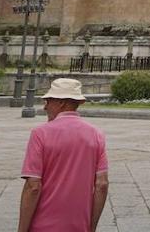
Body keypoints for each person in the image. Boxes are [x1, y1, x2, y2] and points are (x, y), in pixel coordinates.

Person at [18, 77, 109, 232]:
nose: (45, 107)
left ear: (61, 102)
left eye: (48, 101)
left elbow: (33, 186)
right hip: (80, 226)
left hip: (43, 226)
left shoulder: (40, 134)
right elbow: (102, 185)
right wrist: (91, 227)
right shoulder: (96, 135)